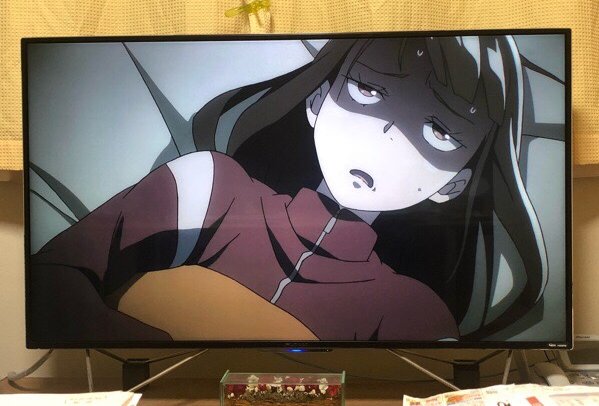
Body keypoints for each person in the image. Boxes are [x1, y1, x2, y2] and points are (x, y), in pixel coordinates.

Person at [29, 35, 547, 343]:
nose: (388, 135)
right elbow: (53, 278)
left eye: (439, 131)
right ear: (318, 101)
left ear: (454, 183)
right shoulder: (208, 187)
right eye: (368, 89)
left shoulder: (416, 311)